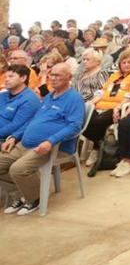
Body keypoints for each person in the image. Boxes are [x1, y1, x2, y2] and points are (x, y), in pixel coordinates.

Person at [0, 63, 84, 215]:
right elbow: (32, 121)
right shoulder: (49, 97)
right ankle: (24, 193)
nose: (53, 78)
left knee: (17, 169)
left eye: (58, 75)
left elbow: (75, 126)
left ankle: (34, 199)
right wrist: (14, 136)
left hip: (49, 147)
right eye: (51, 74)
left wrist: (50, 141)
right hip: (25, 143)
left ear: (69, 78)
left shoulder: (74, 98)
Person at [81, 50, 130, 166]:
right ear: (120, 65)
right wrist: (91, 103)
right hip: (100, 105)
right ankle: (99, 143)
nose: (126, 65)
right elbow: (102, 92)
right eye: (123, 62)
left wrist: (118, 107)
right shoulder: (114, 76)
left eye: (129, 62)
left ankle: (96, 148)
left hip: (119, 107)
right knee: (81, 118)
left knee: (98, 121)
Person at [0, 65, 41, 143]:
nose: (6, 79)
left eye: (11, 76)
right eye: (5, 77)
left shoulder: (30, 99)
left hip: (6, 139)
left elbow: (15, 126)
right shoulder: (3, 95)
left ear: (23, 78)